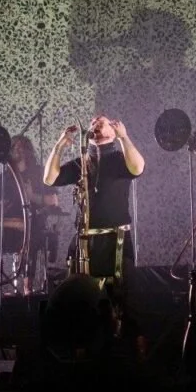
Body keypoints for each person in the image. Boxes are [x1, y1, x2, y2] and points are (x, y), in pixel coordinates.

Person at [43, 114, 146, 358]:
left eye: (103, 121)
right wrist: (59, 145)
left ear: (112, 130)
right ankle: (79, 344)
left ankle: (133, 345)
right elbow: (49, 179)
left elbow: (138, 168)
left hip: (116, 239)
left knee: (126, 293)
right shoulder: (82, 163)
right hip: (86, 240)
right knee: (78, 292)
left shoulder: (120, 158)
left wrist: (124, 138)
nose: (96, 121)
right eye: (93, 122)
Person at [0, 135, 59, 292]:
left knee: (32, 238)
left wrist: (32, 196)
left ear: (27, 150)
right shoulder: (2, 179)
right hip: (3, 232)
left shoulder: (39, 173)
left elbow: (54, 201)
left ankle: (28, 288)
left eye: (20, 146)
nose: (17, 150)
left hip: (29, 230)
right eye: (14, 146)